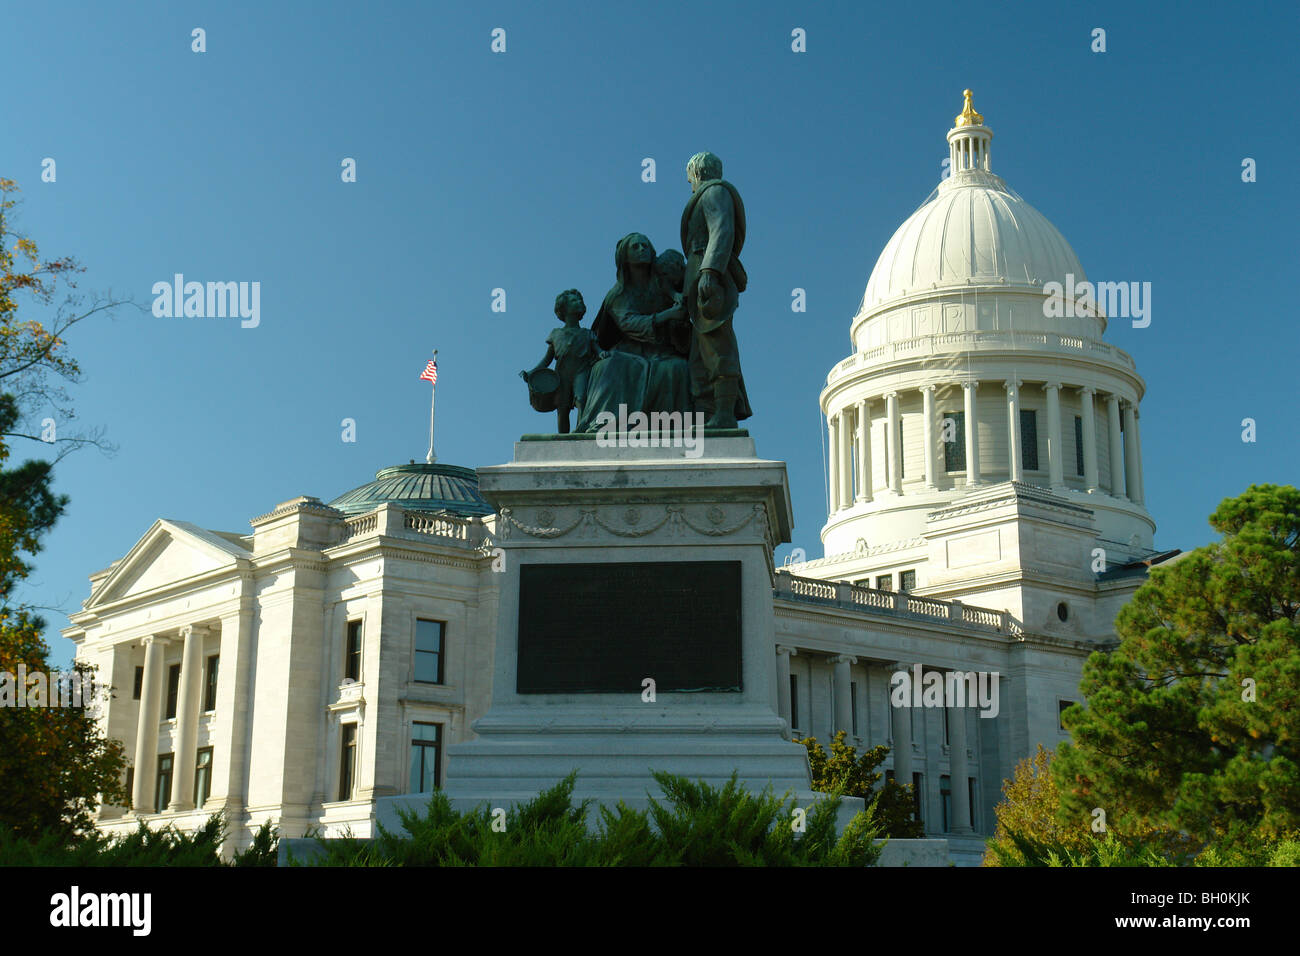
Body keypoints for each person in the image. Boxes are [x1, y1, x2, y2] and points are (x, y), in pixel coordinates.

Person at [577, 233, 692, 432]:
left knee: (679, 368)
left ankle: (672, 428)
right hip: (628, 350)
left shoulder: (663, 283)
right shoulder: (618, 295)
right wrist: (668, 314)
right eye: (636, 247)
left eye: (645, 245)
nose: (642, 249)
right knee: (609, 366)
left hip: (662, 351)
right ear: (625, 257)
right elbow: (631, 324)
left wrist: (679, 320)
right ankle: (606, 424)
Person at [680, 151, 752, 429]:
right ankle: (709, 414)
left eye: (690, 181)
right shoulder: (711, 193)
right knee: (701, 351)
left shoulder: (714, 193)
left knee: (716, 343)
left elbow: (722, 231)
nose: (692, 187)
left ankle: (723, 414)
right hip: (700, 277)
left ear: (697, 175)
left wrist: (709, 271)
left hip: (710, 277)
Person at [520, 288, 598, 433]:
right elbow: (546, 359)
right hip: (562, 374)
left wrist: (603, 354)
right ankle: (563, 437)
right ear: (564, 308)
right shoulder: (556, 334)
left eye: (580, 300)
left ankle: (581, 430)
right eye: (574, 301)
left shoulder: (587, 334)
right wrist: (532, 373)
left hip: (581, 371)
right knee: (562, 408)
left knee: (581, 399)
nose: (579, 302)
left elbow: (598, 350)